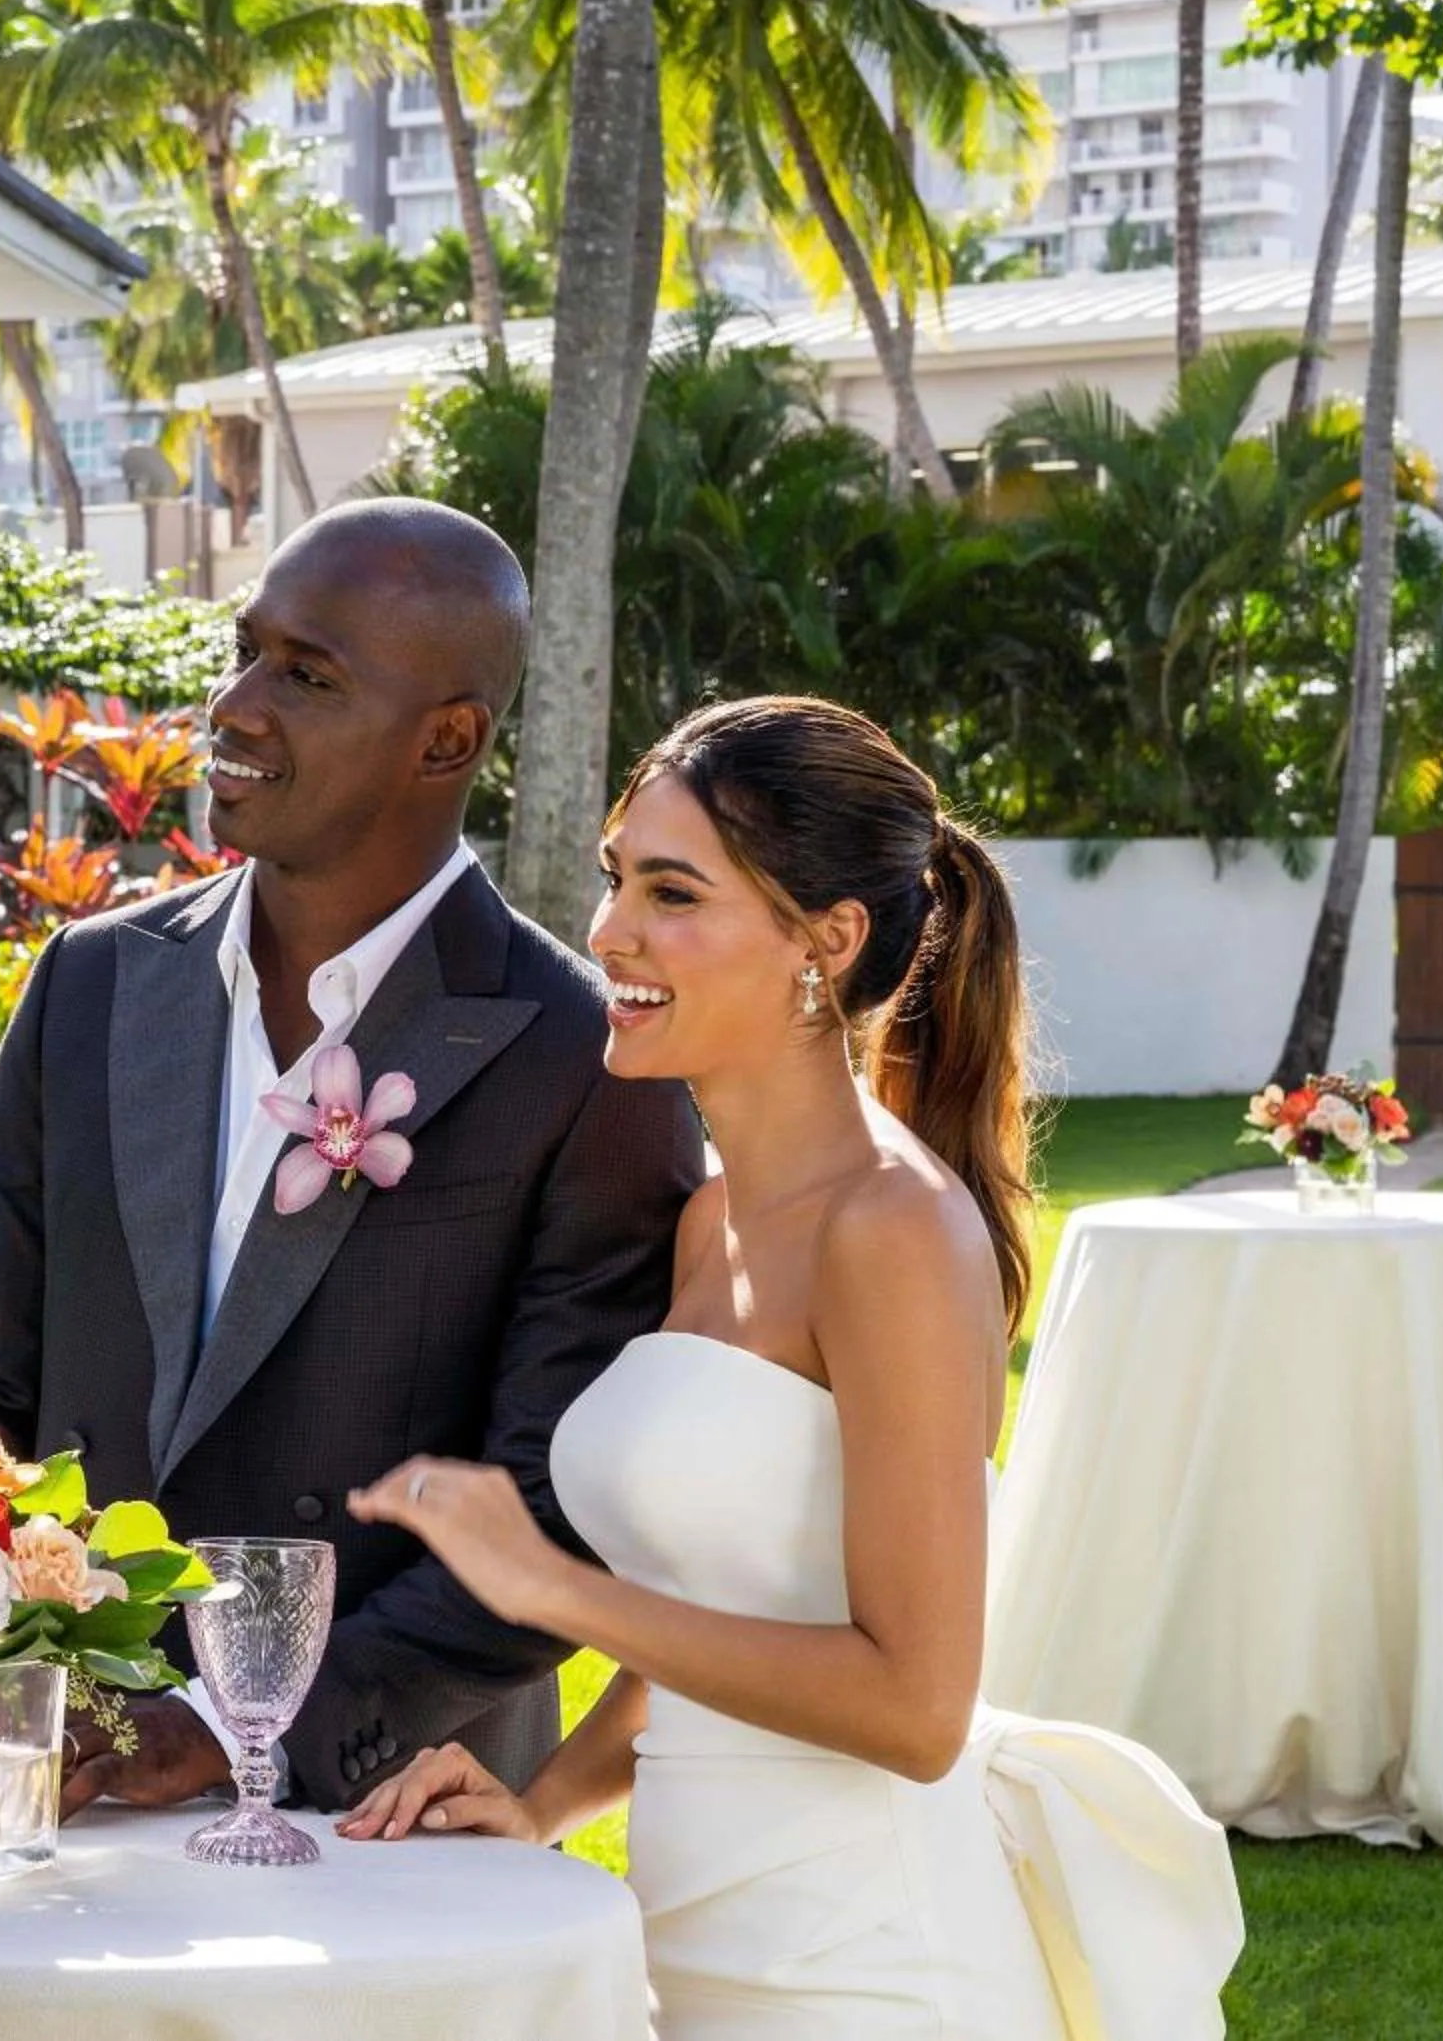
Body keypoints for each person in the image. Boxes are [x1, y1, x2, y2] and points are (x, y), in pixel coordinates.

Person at [339, 695, 1244, 2037]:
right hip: (697, 1940)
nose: (610, 933)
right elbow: (719, 1621)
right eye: (614, 879)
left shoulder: (893, 1230)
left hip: (867, 1962)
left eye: (673, 891)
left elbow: (916, 1702)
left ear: (825, 939)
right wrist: (544, 1801)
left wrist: (556, 1588)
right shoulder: (711, 1220)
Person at [0, 498, 704, 1814]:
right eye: (248, 649)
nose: (238, 705)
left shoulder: (581, 1059)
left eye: (309, 676)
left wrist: (225, 1726)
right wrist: (9, 1651)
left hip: (381, 1820)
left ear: (448, 738)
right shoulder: (91, 984)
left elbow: (558, 1507)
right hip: (61, 1779)